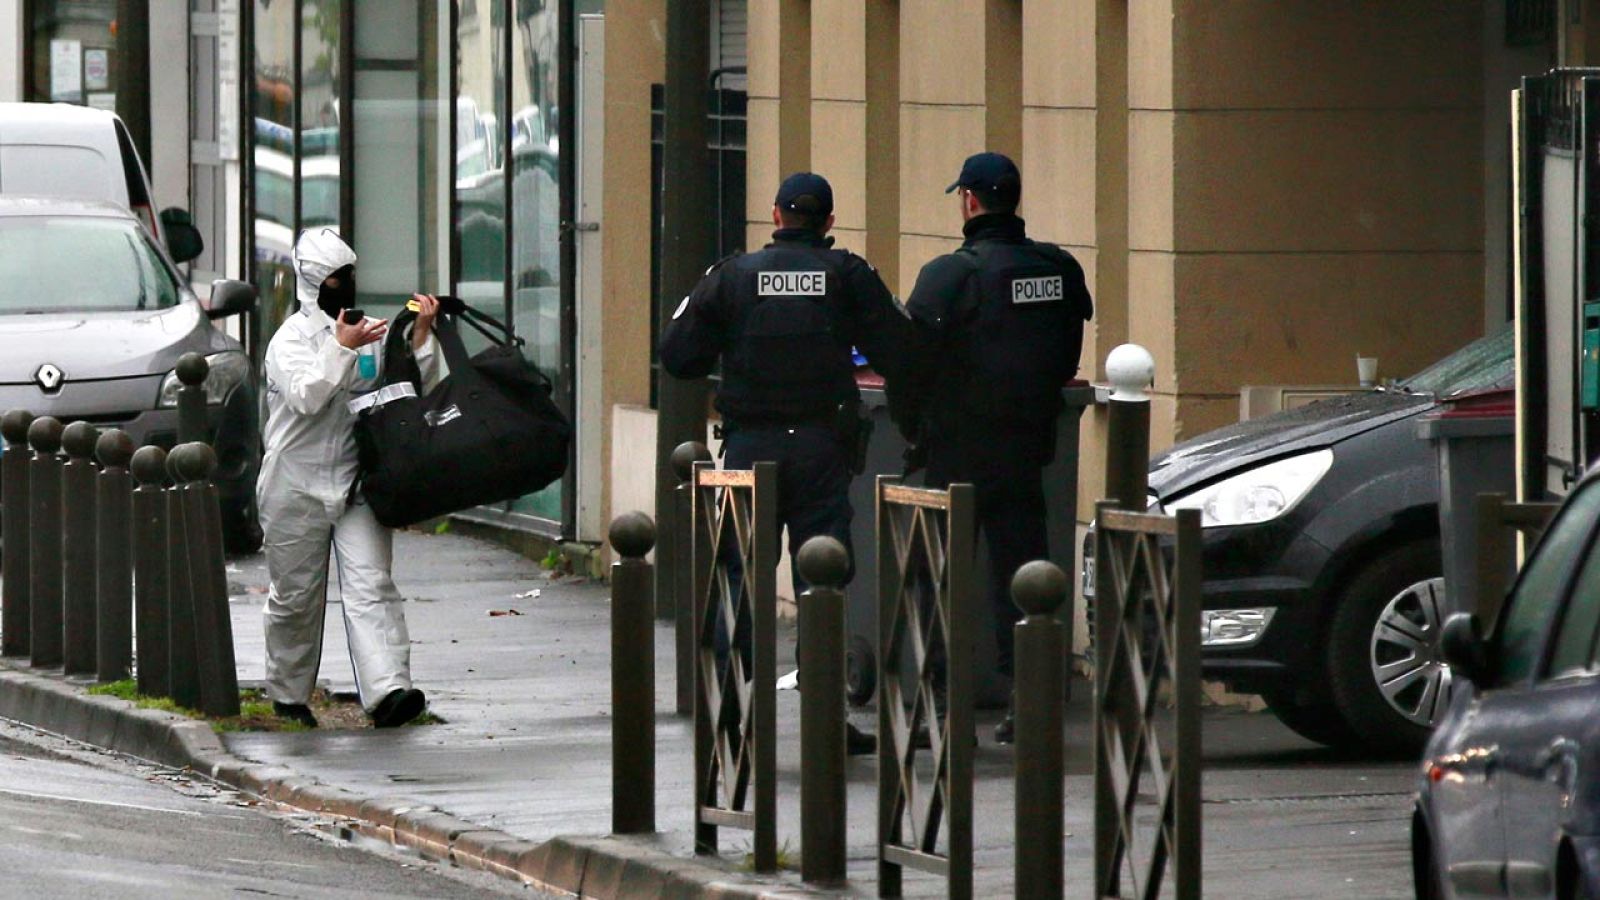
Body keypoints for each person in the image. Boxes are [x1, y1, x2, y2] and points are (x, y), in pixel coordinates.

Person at [659, 172, 912, 756]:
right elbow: (901, 350)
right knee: (821, 579)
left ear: (775, 216)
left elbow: (677, 355)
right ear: (827, 222)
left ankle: (731, 716)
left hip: (750, 447)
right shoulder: (849, 274)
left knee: (737, 579)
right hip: (822, 447)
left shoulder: (731, 276)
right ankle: (826, 720)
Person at [896, 152, 1093, 744]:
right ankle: (1026, 699)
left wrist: (914, 428)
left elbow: (910, 363)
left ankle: (938, 702)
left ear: (970, 201)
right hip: (1028, 446)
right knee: (1024, 575)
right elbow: (1065, 353)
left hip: (958, 449)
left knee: (936, 577)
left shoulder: (950, 275)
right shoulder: (1057, 268)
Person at [258, 227, 446, 728]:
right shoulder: (289, 342)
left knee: (371, 583)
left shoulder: (368, 336)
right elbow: (306, 396)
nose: (347, 287)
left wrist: (421, 339)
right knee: (296, 597)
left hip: (355, 481)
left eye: (350, 277)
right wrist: (341, 347)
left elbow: (409, 389)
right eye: (337, 280)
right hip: (293, 482)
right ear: (314, 284)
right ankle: (288, 694)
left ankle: (390, 692)